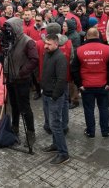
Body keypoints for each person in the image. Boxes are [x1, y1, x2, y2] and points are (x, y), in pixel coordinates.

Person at [71, 28, 109, 138]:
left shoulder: (79, 50)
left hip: (86, 86)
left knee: (88, 109)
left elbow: (74, 69)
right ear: (99, 36)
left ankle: (90, 131)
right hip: (103, 85)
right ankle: (105, 131)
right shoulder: (107, 49)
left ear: (86, 36)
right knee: (104, 108)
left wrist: (79, 85)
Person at [2, 17, 39, 139]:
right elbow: (3, 57)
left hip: (22, 80)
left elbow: (34, 59)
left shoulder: (28, 41)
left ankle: (30, 131)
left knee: (25, 106)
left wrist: (22, 72)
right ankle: (15, 126)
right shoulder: (9, 41)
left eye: (10, 27)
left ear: (16, 28)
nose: (8, 30)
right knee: (13, 104)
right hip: (10, 78)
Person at [40, 34, 69, 164]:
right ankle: (55, 145)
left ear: (56, 44)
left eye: (49, 44)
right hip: (46, 94)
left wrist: (54, 95)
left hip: (54, 97)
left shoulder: (60, 58)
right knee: (52, 124)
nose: (45, 46)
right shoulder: (47, 54)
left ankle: (63, 153)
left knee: (55, 124)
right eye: (45, 43)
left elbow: (62, 79)